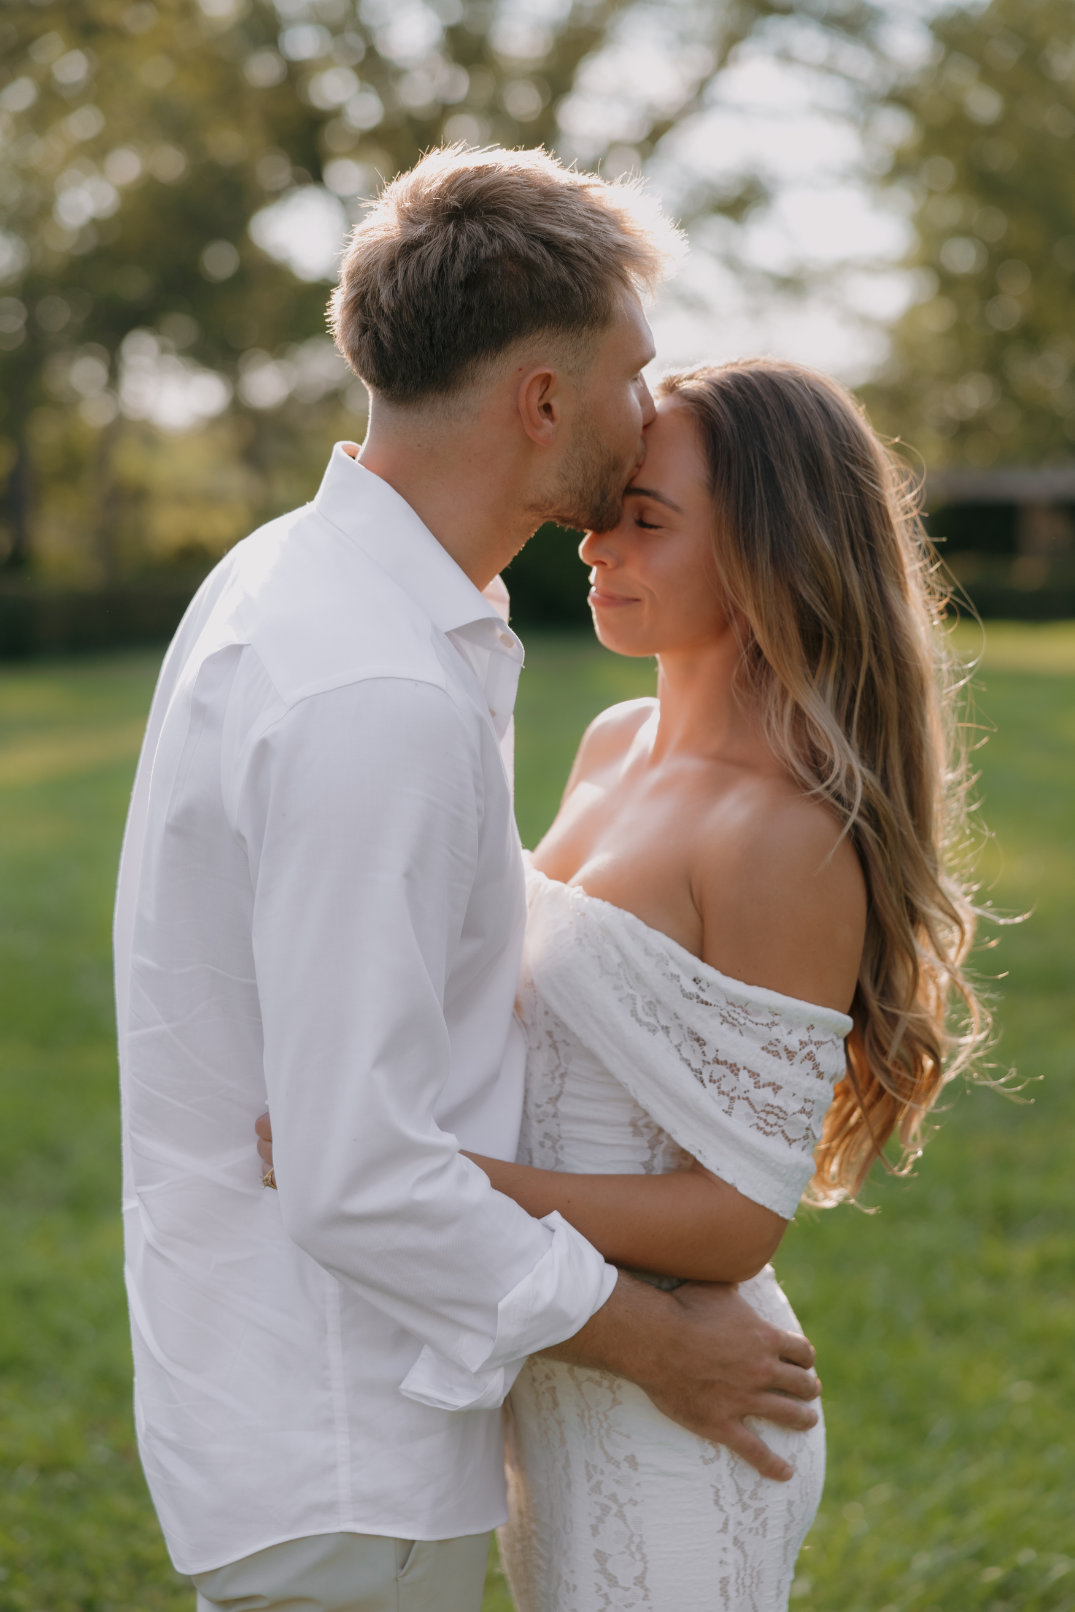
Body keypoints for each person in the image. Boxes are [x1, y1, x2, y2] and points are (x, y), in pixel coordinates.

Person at [114, 147, 823, 1612]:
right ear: (542, 400)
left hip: (317, 1400)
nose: (649, 414)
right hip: (340, 1427)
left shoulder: (296, 583)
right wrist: (650, 1339)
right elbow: (355, 1179)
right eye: (633, 373)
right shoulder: (370, 691)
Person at [459, 361, 987, 1608]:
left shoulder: (780, 836)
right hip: (560, 1383)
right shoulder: (609, 745)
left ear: (769, 552)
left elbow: (736, 1216)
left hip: (685, 1423)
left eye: (647, 519)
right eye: (605, 509)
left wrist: (439, 1178)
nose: (595, 542)